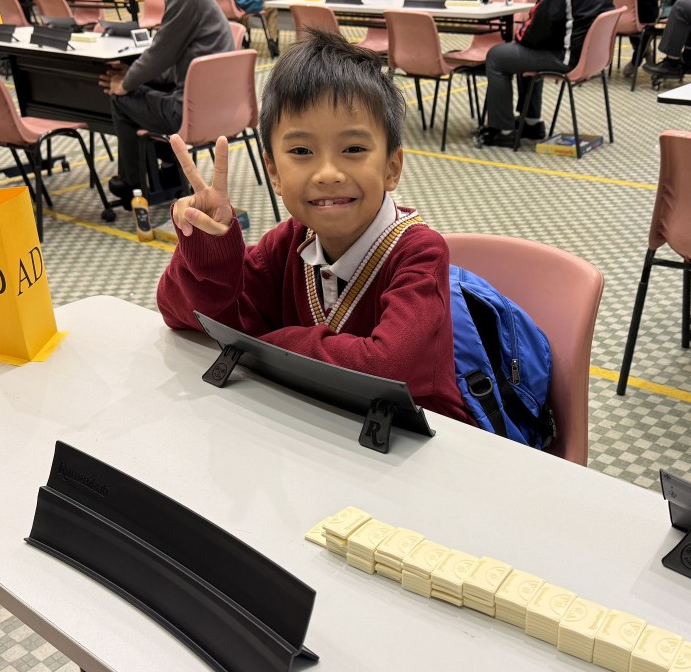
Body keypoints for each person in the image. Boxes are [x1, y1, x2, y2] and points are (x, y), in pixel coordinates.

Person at [156, 29, 472, 424]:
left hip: (416, 442)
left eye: (353, 149)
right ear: (274, 171)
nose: (327, 173)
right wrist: (209, 247)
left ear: (392, 167)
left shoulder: (419, 254)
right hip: (315, 426)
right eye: (301, 151)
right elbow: (187, 316)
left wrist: (266, 346)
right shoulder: (287, 243)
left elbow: (386, 368)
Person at [99, 0, 232, 206]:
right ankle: (171, 171)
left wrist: (126, 82)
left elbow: (159, 54)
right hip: (221, 106)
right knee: (146, 87)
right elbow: (170, 58)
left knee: (122, 99)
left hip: (193, 110)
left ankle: (131, 183)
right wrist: (136, 76)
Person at [476, 0, 613, 149]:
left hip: (567, 56)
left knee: (498, 56)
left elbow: (544, 21)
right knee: (524, 49)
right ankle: (531, 122)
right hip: (591, 57)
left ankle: (502, 130)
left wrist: (520, 37)